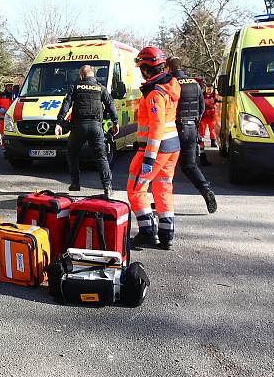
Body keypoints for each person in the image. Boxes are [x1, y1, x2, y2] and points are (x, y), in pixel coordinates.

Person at [127, 46, 181, 250]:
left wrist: (149, 158)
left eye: (141, 67)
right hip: (171, 147)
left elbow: (156, 126)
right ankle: (167, 234)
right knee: (163, 187)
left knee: (136, 188)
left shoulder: (154, 93)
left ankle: (147, 232)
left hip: (155, 150)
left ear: (147, 69)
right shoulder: (169, 86)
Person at [55, 65, 119, 197]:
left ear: (81, 76)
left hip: (79, 127)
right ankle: (107, 187)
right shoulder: (101, 88)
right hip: (96, 127)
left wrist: (59, 122)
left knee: (72, 153)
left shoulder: (75, 88)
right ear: (93, 75)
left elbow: (66, 105)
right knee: (101, 156)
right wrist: (115, 122)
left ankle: (75, 183)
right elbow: (110, 104)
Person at [167, 57, 217, 214]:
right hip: (191, 128)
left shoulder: (170, 83)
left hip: (174, 129)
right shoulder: (195, 84)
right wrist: (194, 124)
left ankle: (164, 201)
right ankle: (206, 190)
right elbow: (201, 107)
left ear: (169, 68)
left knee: (165, 167)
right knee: (189, 165)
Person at [199, 84, 217, 151]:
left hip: (212, 116)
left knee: (212, 129)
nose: (209, 91)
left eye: (210, 89)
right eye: (207, 89)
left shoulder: (215, 96)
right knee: (201, 130)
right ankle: (201, 143)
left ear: (212, 89)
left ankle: (213, 141)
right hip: (204, 116)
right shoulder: (202, 95)